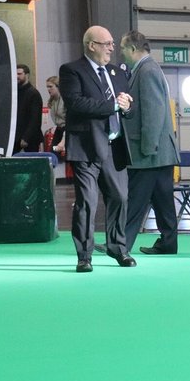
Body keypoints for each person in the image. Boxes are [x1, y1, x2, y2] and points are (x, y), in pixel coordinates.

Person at [58, 25, 135, 272]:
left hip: (114, 147)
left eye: (112, 44)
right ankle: (84, 256)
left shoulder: (118, 73)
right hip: (86, 148)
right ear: (92, 45)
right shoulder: (71, 70)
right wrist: (114, 106)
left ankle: (118, 248)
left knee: (120, 197)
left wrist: (127, 106)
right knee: (87, 202)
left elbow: (126, 107)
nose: (112, 48)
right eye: (107, 44)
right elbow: (76, 103)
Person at [119, 30, 180, 255]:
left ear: (133, 48)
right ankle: (168, 243)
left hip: (149, 152)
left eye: (123, 48)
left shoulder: (147, 70)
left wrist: (148, 146)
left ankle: (120, 243)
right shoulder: (148, 69)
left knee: (135, 200)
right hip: (159, 152)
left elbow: (154, 111)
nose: (120, 52)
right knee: (163, 201)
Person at [14, 63, 43, 153]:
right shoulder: (15, 93)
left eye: (19, 74)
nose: (16, 76)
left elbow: (35, 119)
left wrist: (26, 137)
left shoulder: (33, 94)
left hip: (30, 139)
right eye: (15, 74)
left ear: (27, 75)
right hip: (16, 137)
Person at [45, 76, 66, 156]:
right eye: (47, 87)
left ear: (58, 87)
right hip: (58, 129)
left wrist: (63, 140)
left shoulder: (65, 100)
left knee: (62, 153)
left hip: (67, 129)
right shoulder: (53, 100)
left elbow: (70, 121)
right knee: (52, 153)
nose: (48, 89)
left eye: (50, 86)